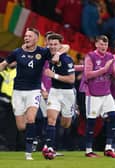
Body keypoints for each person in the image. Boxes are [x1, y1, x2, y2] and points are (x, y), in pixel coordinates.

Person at [0, 27, 58, 160]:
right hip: (18, 92)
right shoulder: (17, 52)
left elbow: (58, 54)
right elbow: (4, 64)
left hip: (34, 91)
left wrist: (58, 55)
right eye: (25, 36)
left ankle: (29, 152)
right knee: (21, 126)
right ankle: (32, 136)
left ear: (37, 39)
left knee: (31, 118)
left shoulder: (43, 52)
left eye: (30, 36)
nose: (26, 38)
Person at [84, 35, 115, 158]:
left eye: (105, 44)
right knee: (91, 122)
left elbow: (113, 73)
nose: (104, 46)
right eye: (101, 44)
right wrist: (104, 69)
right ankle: (88, 150)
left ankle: (108, 148)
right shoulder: (90, 56)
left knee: (113, 117)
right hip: (92, 94)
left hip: (106, 93)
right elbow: (87, 75)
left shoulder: (110, 56)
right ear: (96, 45)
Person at [42, 33, 75, 160]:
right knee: (51, 120)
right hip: (54, 92)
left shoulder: (67, 59)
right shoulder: (46, 54)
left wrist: (53, 75)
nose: (53, 46)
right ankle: (49, 148)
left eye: (55, 44)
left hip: (67, 94)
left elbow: (72, 79)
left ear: (59, 45)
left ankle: (72, 113)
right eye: (50, 44)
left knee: (66, 124)